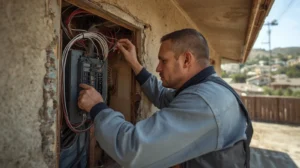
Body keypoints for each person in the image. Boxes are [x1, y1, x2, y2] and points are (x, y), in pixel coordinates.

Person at [78, 28, 253, 168]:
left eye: (164, 61)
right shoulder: (208, 89)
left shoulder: (204, 103)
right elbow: (163, 96)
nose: (158, 68)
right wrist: (135, 64)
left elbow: (133, 149)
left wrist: (97, 107)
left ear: (186, 60)